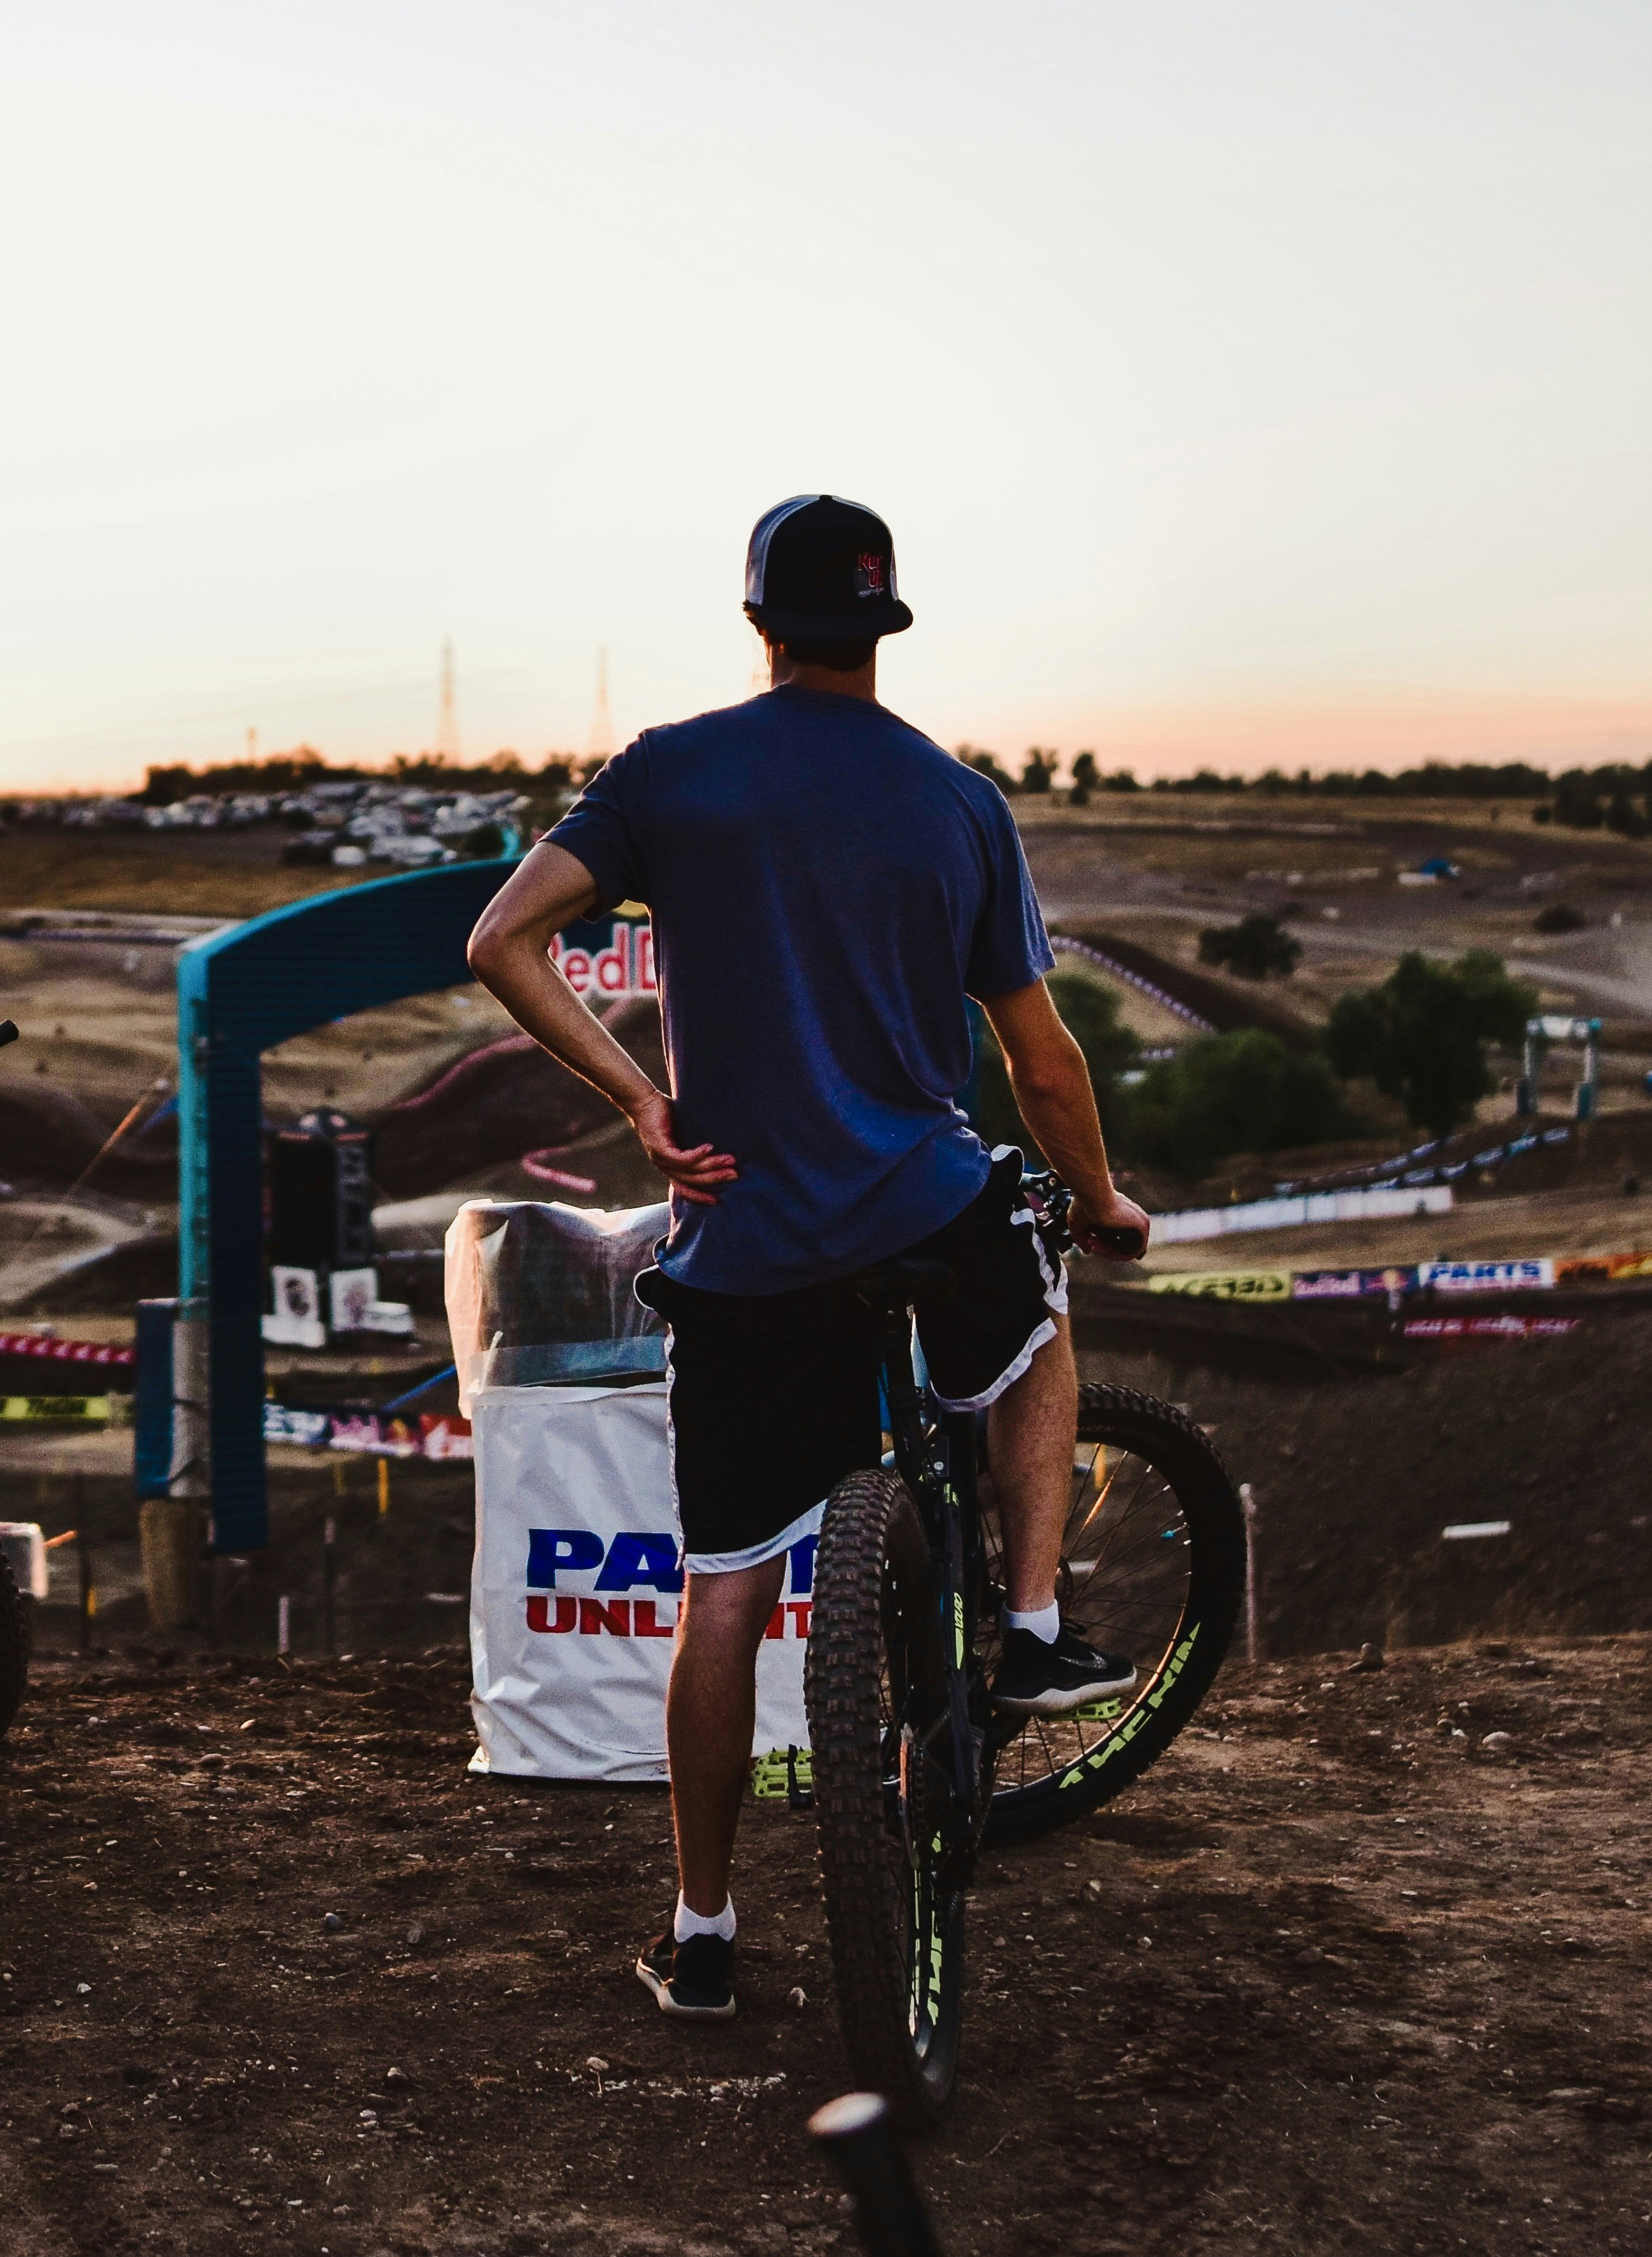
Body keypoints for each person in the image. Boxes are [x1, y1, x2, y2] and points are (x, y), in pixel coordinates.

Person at [464, 495, 1153, 2022]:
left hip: (740, 1247)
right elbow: (1037, 1062)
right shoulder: (958, 804)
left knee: (723, 1589)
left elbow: (500, 941)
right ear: (884, 621)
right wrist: (1100, 1195)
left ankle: (702, 1931)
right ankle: (1031, 1626)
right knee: (1036, 1321)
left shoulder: (669, 772)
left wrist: (642, 1100)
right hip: (919, 1207)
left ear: (760, 621)